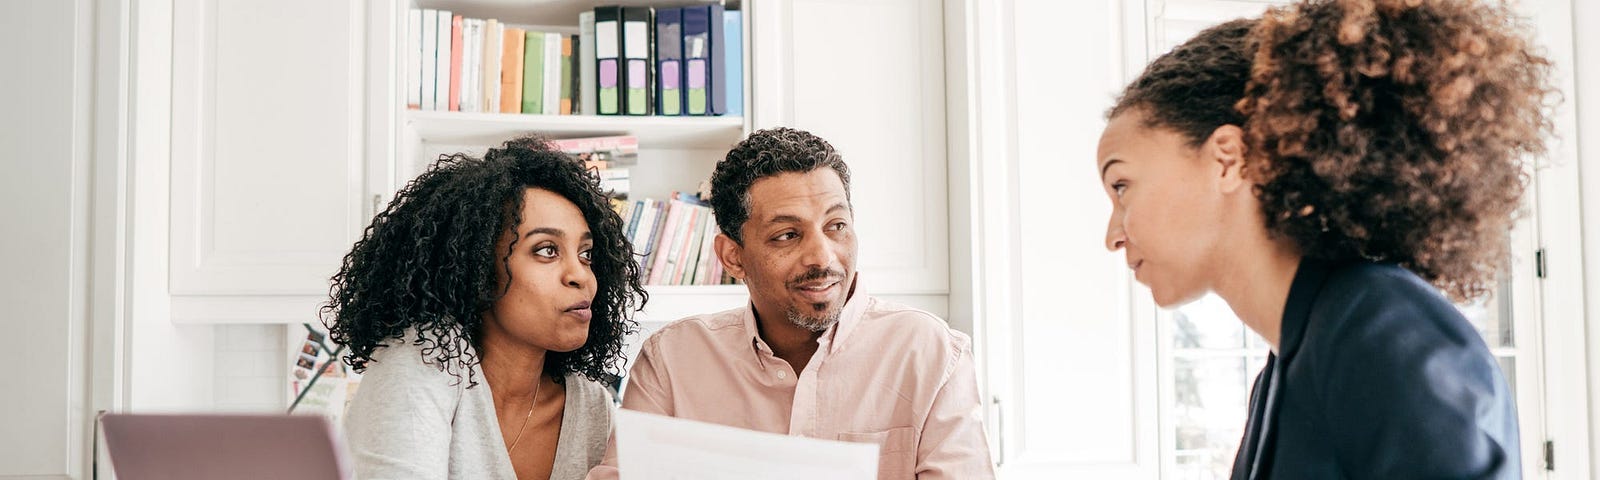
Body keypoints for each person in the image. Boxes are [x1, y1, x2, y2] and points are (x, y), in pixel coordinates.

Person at [1096, 0, 1552, 477]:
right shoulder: (1282, 372)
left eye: (1122, 186)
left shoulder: (1384, 330)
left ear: (1228, 159)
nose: (1113, 236)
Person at [587, 127, 995, 480]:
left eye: (836, 226)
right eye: (787, 235)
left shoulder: (934, 354)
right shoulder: (671, 361)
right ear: (733, 257)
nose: (823, 256)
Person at [326, 135, 646, 479]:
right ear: (477, 269)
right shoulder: (426, 359)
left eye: (586, 255)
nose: (580, 276)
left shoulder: (591, 406)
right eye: (547, 250)